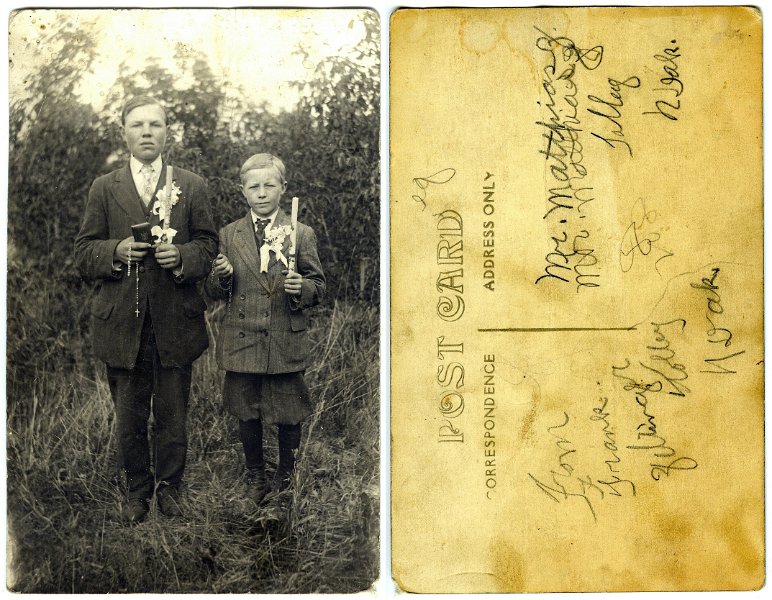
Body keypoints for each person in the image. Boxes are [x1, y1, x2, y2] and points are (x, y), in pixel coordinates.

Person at [74, 96, 218, 523]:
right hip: (122, 322)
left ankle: (169, 489)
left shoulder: (191, 185)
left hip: (175, 320)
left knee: (173, 412)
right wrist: (115, 250)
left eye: (155, 124)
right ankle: (137, 491)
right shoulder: (104, 187)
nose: (147, 132)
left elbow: (209, 245)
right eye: (137, 125)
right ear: (124, 133)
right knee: (130, 417)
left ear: (168, 132)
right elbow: (83, 253)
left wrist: (185, 258)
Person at [205, 153, 325, 504]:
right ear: (243, 191)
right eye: (253, 186)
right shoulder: (228, 235)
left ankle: (286, 475)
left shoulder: (300, 232)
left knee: (289, 410)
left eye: (269, 185)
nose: (261, 193)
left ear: (283, 188)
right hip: (242, 336)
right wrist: (220, 275)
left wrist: (300, 287)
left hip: (284, 338)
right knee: (246, 408)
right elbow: (214, 291)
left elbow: (319, 285)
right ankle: (256, 475)